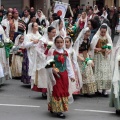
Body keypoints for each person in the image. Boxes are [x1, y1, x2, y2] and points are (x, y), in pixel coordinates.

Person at [46, 35, 75, 118]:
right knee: (57, 91)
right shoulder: (52, 52)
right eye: (58, 42)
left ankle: (56, 107)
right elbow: (48, 62)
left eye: (61, 42)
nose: (59, 44)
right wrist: (52, 69)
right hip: (56, 75)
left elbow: (68, 65)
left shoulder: (65, 52)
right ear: (55, 43)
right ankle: (59, 110)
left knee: (64, 90)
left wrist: (71, 76)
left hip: (64, 75)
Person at [24, 22, 47, 97]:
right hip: (31, 53)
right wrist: (33, 42)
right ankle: (31, 82)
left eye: (37, 26)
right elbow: (25, 45)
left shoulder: (39, 35)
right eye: (36, 26)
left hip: (38, 54)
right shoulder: (28, 35)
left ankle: (35, 82)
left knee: (37, 68)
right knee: (31, 67)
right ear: (32, 27)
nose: (37, 27)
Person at [90, 24, 113, 96]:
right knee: (97, 72)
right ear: (99, 30)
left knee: (105, 72)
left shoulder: (108, 38)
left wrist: (108, 50)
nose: (103, 33)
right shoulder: (96, 37)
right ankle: (97, 89)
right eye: (101, 32)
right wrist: (99, 49)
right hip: (98, 57)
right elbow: (92, 47)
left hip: (105, 57)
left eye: (104, 32)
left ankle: (104, 89)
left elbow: (110, 47)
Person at [74, 27, 97, 96]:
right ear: (83, 34)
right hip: (80, 57)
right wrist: (79, 57)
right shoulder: (78, 41)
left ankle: (87, 90)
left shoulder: (87, 41)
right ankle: (81, 89)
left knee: (87, 73)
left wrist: (89, 59)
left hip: (85, 56)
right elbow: (74, 51)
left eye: (88, 35)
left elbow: (88, 50)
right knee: (81, 73)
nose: (87, 37)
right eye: (86, 35)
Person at [109, 40, 120, 115]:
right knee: (117, 90)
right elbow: (117, 60)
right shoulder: (118, 49)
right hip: (118, 73)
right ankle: (118, 107)